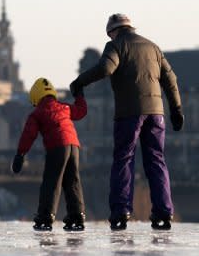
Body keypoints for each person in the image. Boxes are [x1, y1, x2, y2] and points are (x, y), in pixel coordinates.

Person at [69, 13, 184, 231]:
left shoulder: (116, 45)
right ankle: (163, 212)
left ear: (112, 32)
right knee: (156, 161)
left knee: (124, 159)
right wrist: (176, 109)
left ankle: (121, 211)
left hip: (129, 113)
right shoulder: (153, 47)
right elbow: (171, 79)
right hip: (156, 113)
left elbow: (106, 69)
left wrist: (80, 82)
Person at [12, 77, 87, 231]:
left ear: (35, 97)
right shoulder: (64, 107)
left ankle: (45, 217)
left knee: (51, 181)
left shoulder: (37, 113)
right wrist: (80, 95)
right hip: (74, 146)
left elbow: (28, 135)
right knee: (72, 181)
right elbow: (81, 111)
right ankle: (77, 215)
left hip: (57, 146)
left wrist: (20, 154)